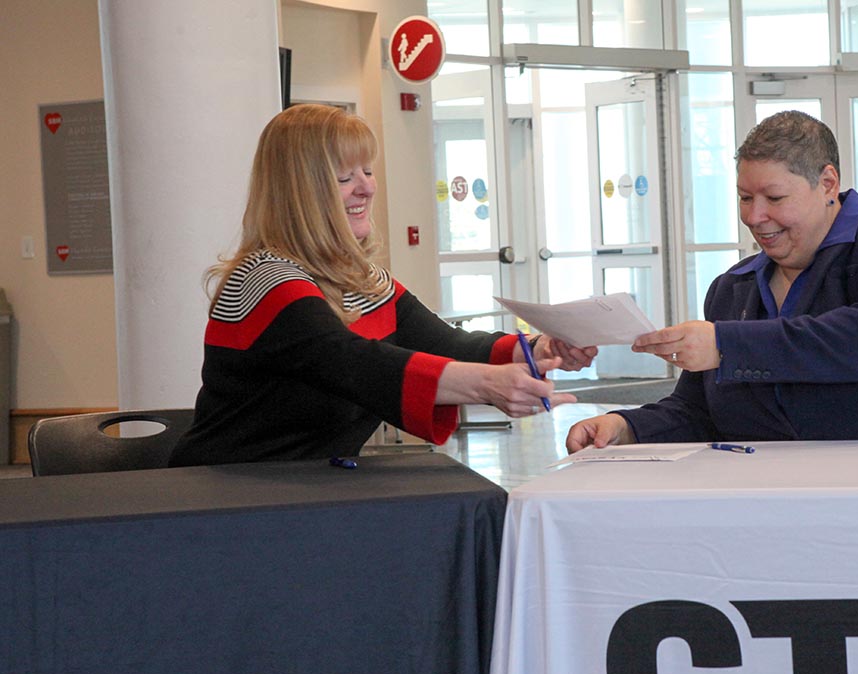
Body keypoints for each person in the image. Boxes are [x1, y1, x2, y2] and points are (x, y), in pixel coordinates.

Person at [170, 104, 595, 466]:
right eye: (344, 178)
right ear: (300, 192)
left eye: (367, 171)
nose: (367, 187)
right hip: (229, 499)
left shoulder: (362, 281)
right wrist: (485, 384)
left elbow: (445, 343)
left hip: (301, 491)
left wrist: (536, 350)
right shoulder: (266, 278)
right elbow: (355, 364)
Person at [566, 110, 858, 453]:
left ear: (827, 183)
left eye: (774, 198)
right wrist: (626, 427)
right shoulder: (731, 290)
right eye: (744, 197)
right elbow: (700, 410)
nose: (755, 217)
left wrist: (728, 346)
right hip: (791, 501)